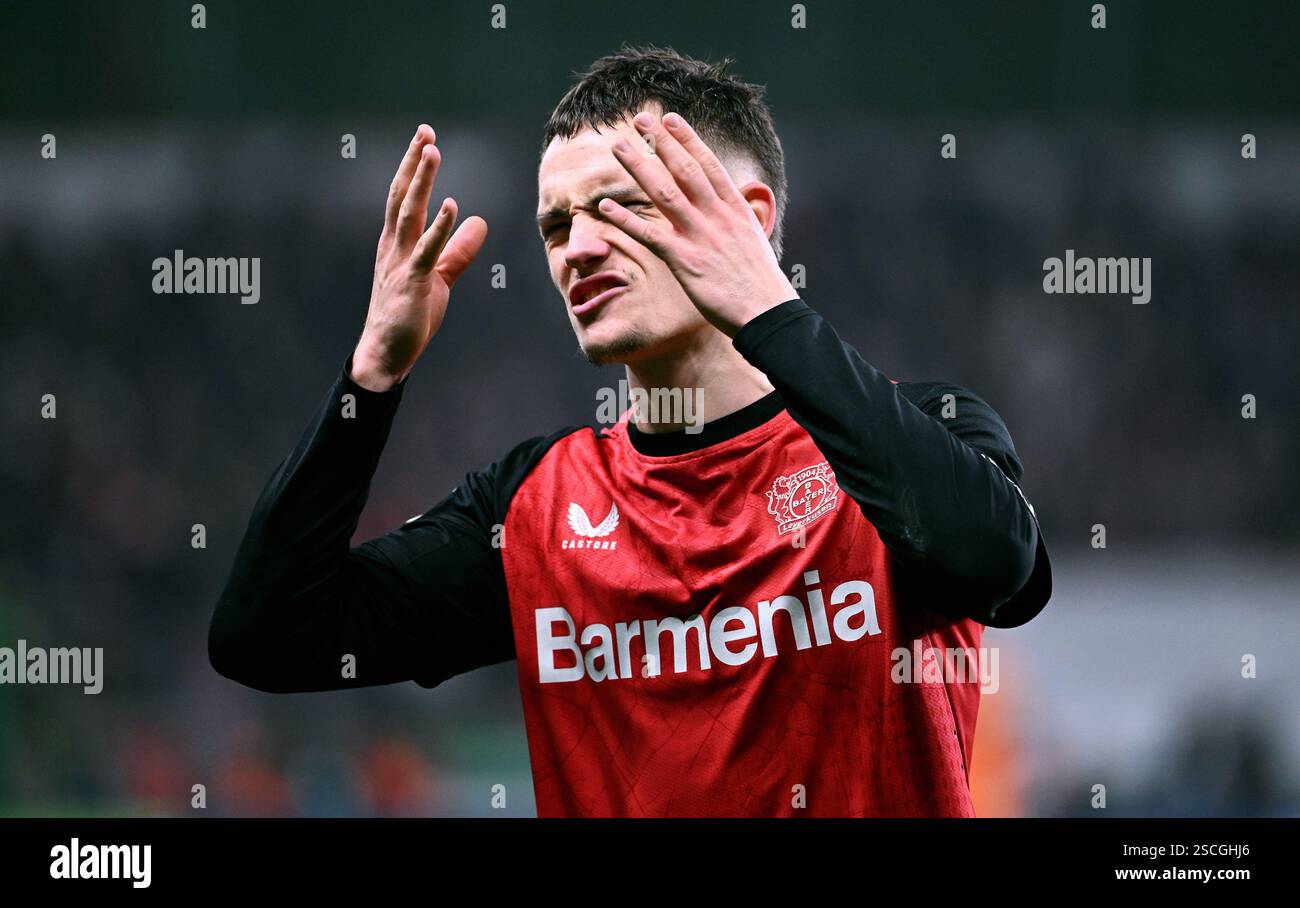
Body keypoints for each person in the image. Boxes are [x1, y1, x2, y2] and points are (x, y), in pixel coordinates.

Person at [209, 45, 1052, 817]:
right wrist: (370, 378)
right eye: (554, 225)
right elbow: (267, 637)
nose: (576, 248)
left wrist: (768, 309)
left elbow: (992, 564)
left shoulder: (921, 430)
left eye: (616, 206)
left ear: (750, 217)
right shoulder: (535, 509)